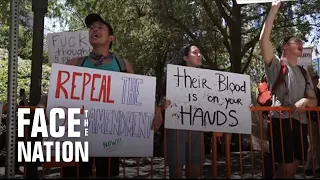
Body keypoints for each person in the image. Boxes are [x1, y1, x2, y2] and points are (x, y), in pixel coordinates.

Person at [37, 13, 164, 178]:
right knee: (75, 174)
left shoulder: (123, 64)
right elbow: (56, 90)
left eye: (100, 27)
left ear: (111, 38)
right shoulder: (75, 63)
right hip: (77, 133)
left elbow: (139, 94)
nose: (94, 30)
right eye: (91, 28)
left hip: (109, 135)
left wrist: (156, 109)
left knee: (107, 174)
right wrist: (42, 104)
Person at [259, 0, 317, 178]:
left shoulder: (304, 71)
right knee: (289, 168)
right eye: (295, 41)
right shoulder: (277, 65)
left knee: (294, 166)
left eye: (301, 42)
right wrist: (274, 10)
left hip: (300, 124)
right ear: (285, 48)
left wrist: (306, 101)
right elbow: (263, 40)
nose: (300, 43)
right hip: (281, 122)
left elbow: (314, 100)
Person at [153, 44, 205, 179]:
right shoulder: (173, 76)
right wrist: (161, 106)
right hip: (176, 130)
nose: (199, 55)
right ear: (185, 57)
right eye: (195, 53)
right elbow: (160, 98)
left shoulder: (207, 78)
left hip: (197, 130)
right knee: (176, 170)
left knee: (195, 170)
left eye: (200, 53)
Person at [306, 70, 320, 174]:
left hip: (318, 120)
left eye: (317, 78)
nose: (317, 79)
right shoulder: (308, 91)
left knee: (317, 144)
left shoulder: (318, 91)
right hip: (311, 120)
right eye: (315, 78)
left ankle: (317, 166)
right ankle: (308, 166)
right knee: (313, 144)